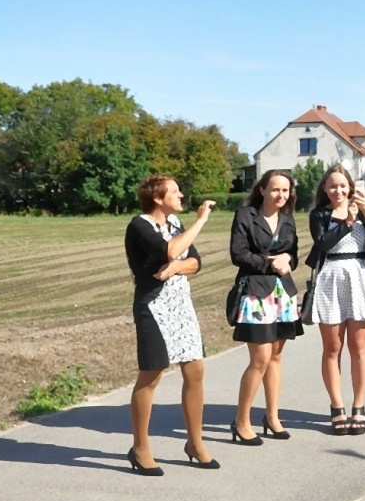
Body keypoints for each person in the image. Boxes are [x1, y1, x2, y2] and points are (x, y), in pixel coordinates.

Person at [124, 174, 219, 475]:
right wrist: (201, 221)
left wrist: (178, 267)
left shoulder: (176, 226)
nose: (181, 195)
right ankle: (140, 447)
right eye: (175, 191)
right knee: (151, 376)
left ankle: (195, 442)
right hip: (153, 306)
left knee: (195, 370)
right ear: (157, 198)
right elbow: (169, 250)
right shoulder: (139, 225)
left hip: (181, 306)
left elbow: (195, 263)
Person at [228, 170, 304, 445]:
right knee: (259, 359)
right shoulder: (246, 215)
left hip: (282, 294)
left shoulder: (288, 220)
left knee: (275, 357)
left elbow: (293, 254)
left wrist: (287, 259)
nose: (281, 195)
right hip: (255, 292)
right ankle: (241, 420)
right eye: (275, 190)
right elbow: (238, 254)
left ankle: (272, 417)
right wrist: (269, 263)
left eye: (285, 191)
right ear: (262, 190)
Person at [306, 166, 365, 436]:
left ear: (351, 187)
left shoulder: (363, 210)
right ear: (325, 190)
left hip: (361, 275)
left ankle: (359, 406)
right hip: (330, 276)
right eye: (332, 186)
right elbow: (323, 244)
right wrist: (347, 222)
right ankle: (337, 407)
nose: (338, 191)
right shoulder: (319, 214)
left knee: (359, 348)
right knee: (332, 348)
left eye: (342, 186)